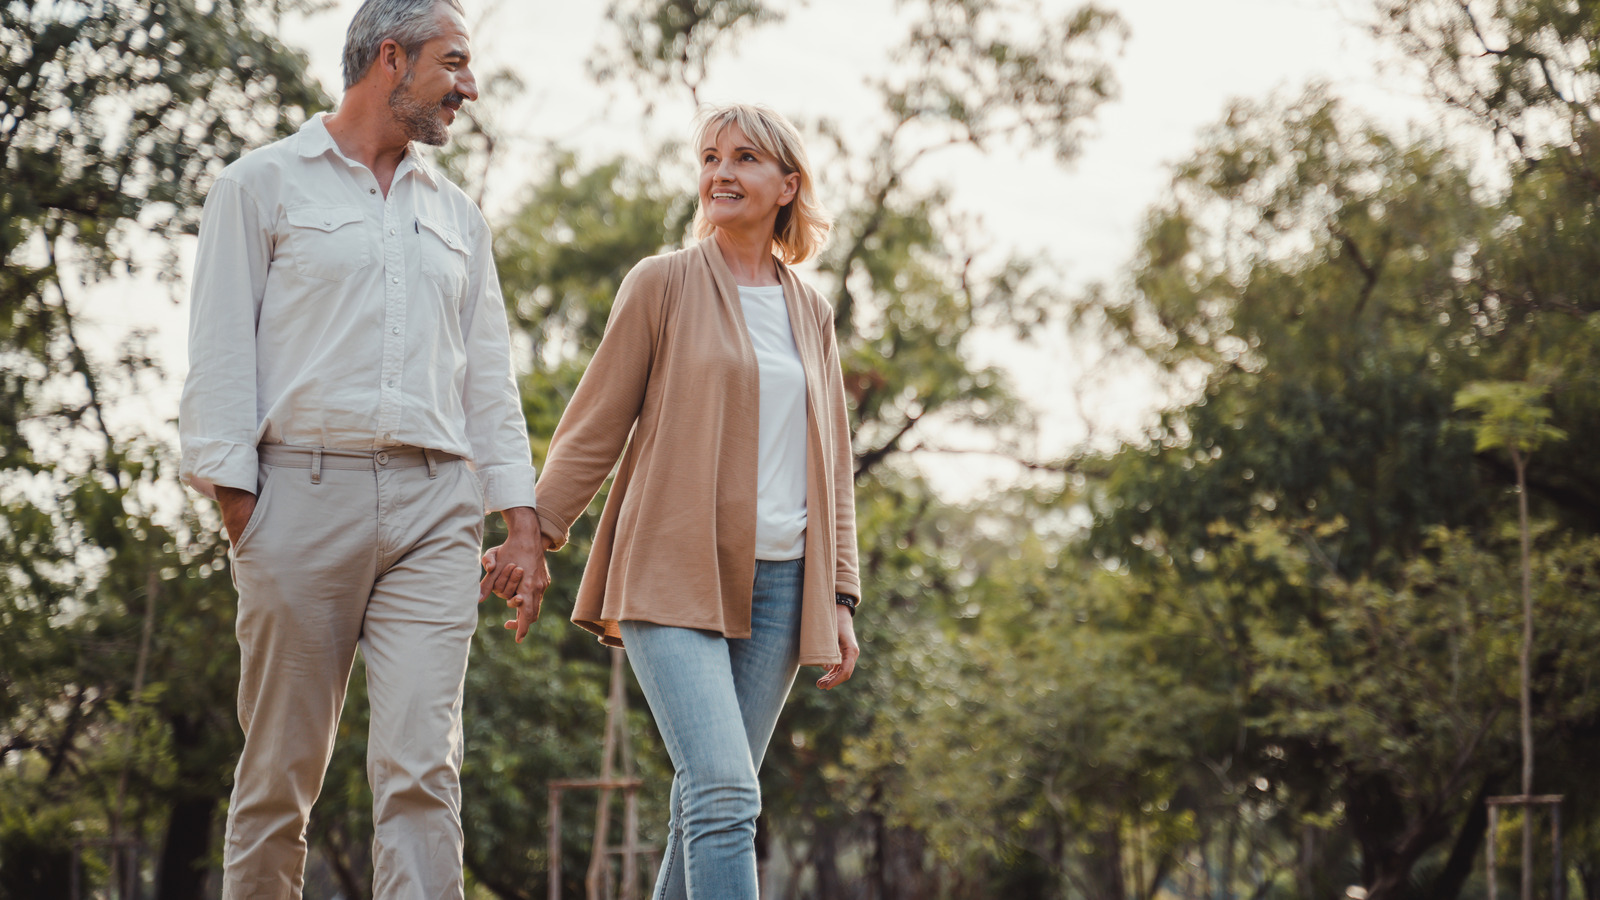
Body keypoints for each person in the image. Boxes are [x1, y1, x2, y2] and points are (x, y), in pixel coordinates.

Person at [178, 0, 549, 896]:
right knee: (280, 777)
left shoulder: (460, 218)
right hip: (298, 498)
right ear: (392, 58)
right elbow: (221, 357)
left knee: (425, 773)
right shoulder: (258, 186)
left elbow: (487, 382)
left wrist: (524, 525)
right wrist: (242, 510)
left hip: (434, 512)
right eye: (453, 64)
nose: (468, 87)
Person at [485, 103, 862, 899]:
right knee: (726, 792)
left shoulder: (812, 313)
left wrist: (839, 594)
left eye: (746, 159)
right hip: (671, 569)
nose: (721, 172)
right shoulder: (661, 283)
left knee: (705, 803)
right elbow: (594, 426)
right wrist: (533, 534)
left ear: (788, 185)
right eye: (711, 157)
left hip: (784, 587)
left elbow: (832, 462)